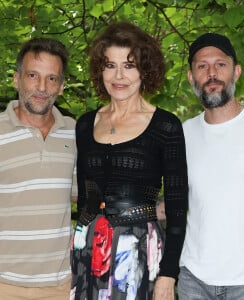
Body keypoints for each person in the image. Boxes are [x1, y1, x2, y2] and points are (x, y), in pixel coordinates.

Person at [71, 22, 188, 300]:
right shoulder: (86, 124)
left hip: (138, 254)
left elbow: (177, 209)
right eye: (110, 65)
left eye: (129, 65)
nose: (119, 75)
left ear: (145, 70)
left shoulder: (165, 126)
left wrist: (168, 274)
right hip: (88, 248)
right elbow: (85, 198)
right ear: (100, 71)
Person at [0, 37, 77, 300]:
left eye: (52, 78)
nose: (42, 87)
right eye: (33, 75)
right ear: (16, 79)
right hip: (3, 286)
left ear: (62, 86)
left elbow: (85, 196)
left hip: (60, 286)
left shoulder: (75, 134)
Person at [178, 33, 244, 299]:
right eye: (202, 66)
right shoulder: (183, 134)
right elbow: (180, 201)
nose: (212, 73)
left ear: (236, 72)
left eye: (220, 64)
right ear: (191, 77)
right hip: (193, 280)